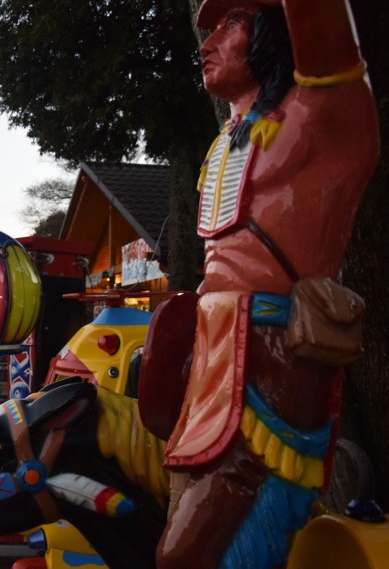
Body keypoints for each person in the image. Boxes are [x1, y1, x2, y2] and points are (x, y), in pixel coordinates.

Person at [155, 1, 379, 568]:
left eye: (230, 23)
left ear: (275, 30)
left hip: (271, 355)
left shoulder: (321, 113)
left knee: (188, 552)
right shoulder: (227, 139)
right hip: (212, 359)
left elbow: (325, 32)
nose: (205, 44)